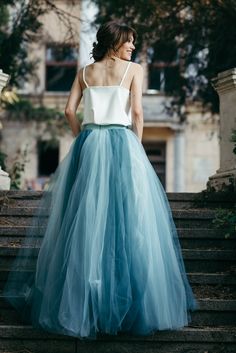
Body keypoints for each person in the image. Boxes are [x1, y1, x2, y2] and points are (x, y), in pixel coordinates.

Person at [4, 21, 198, 340]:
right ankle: (126, 302)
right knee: (127, 219)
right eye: (129, 41)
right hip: (122, 143)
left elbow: (69, 111)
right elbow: (137, 113)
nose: (133, 46)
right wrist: (136, 147)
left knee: (83, 222)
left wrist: (84, 137)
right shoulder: (133, 70)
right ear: (116, 42)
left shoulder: (84, 72)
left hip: (90, 142)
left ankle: (84, 302)